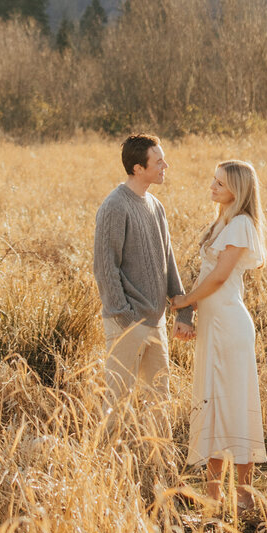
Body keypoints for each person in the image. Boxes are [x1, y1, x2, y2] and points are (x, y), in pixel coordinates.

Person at [171, 158, 267, 510]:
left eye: (220, 184)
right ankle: (214, 495)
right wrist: (188, 312)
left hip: (230, 325)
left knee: (235, 404)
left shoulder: (241, 224)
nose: (212, 187)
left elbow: (218, 278)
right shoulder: (221, 222)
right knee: (211, 401)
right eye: (213, 180)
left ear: (237, 192)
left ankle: (243, 496)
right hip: (214, 324)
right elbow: (206, 277)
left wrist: (185, 299)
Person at [93, 134, 195, 459]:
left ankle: (158, 467)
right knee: (117, 401)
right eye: (159, 161)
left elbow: (168, 261)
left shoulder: (156, 206)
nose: (166, 165)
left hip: (157, 322)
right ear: (139, 168)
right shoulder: (114, 206)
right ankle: (105, 469)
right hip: (127, 322)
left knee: (160, 401)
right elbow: (104, 266)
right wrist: (124, 317)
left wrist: (183, 311)